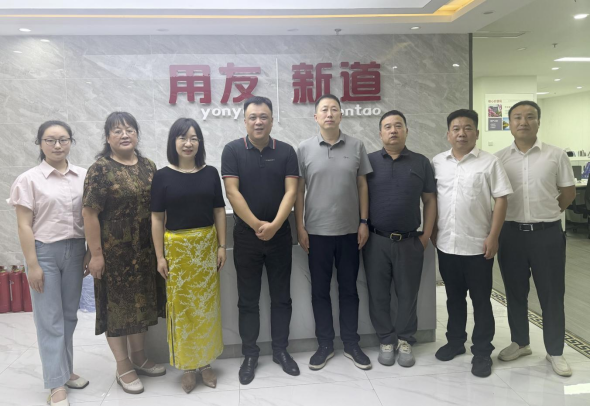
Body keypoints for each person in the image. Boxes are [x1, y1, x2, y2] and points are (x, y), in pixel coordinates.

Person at [82, 112, 166, 395]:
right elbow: (89, 214)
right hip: (114, 254)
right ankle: (123, 365)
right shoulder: (100, 169)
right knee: (116, 309)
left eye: (130, 129)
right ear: (108, 138)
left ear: (137, 135)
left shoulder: (148, 166)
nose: (125, 134)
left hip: (145, 250)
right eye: (117, 131)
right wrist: (96, 255)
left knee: (141, 304)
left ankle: (139, 356)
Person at [8, 121, 90, 406]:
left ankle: (65, 371)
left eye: (63, 139)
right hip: (44, 253)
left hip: (76, 250)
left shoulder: (83, 176)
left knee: (69, 316)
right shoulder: (28, 180)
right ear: (40, 143)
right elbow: (24, 225)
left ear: (71, 142)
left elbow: (91, 218)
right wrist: (32, 265)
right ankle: (56, 383)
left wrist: (90, 251)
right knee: (49, 319)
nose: (57, 145)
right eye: (50, 140)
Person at [221, 96, 299, 385]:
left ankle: (281, 351)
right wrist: (257, 225)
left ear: (272, 120)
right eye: (252, 117)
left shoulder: (287, 151)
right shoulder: (232, 150)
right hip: (246, 237)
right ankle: (250, 355)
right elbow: (232, 192)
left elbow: (291, 192)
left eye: (263, 116)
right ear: (245, 121)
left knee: (282, 298)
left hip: (280, 236)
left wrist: (275, 225)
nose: (258, 122)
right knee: (248, 300)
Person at [495, 101, 576, 377]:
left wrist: (547, 214)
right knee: (515, 291)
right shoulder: (499, 159)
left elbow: (568, 193)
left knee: (552, 293)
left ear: (538, 122)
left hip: (547, 234)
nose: (524, 122)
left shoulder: (556, 155)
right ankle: (520, 342)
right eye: (517, 117)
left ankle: (555, 351)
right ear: (509, 124)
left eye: (530, 117)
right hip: (510, 234)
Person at [295, 94, 373, 371]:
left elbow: (362, 186)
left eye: (334, 110)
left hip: (350, 232)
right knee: (320, 291)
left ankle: (351, 343)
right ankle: (325, 344)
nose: (329, 114)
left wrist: (364, 222)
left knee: (349, 290)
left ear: (341, 115)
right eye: (324, 110)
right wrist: (300, 226)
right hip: (316, 233)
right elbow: (299, 191)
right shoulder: (304, 148)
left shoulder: (357, 145)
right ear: (315, 117)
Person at [432, 109, 512, 378]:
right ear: (448, 134)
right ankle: (455, 342)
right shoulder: (437, 162)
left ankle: (482, 351)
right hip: (447, 244)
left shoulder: (490, 162)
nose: (461, 133)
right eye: (456, 129)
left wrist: (494, 236)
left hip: (479, 246)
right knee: (454, 298)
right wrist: (433, 230)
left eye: (467, 128)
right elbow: (432, 200)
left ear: (476, 133)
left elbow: (501, 199)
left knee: (481, 301)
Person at [151, 118, 226, 393]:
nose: (188, 143)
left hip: (206, 248)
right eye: (182, 138)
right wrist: (160, 256)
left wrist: (221, 246)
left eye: (194, 138)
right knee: (182, 311)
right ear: (173, 142)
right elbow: (156, 218)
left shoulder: (210, 173)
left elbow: (219, 210)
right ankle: (188, 367)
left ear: (200, 143)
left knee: (206, 309)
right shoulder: (162, 176)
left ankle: (206, 364)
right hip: (177, 252)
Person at [363, 110, 437, 367]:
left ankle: (405, 339)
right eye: (387, 126)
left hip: (409, 241)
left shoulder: (421, 162)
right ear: (380, 133)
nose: (393, 130)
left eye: (398, 126)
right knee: (378, 294)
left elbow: (430, 200)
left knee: (408, 294)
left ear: (406, 130)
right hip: (376, 241)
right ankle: (385, 339)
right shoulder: (368, 162)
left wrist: (426, 235)